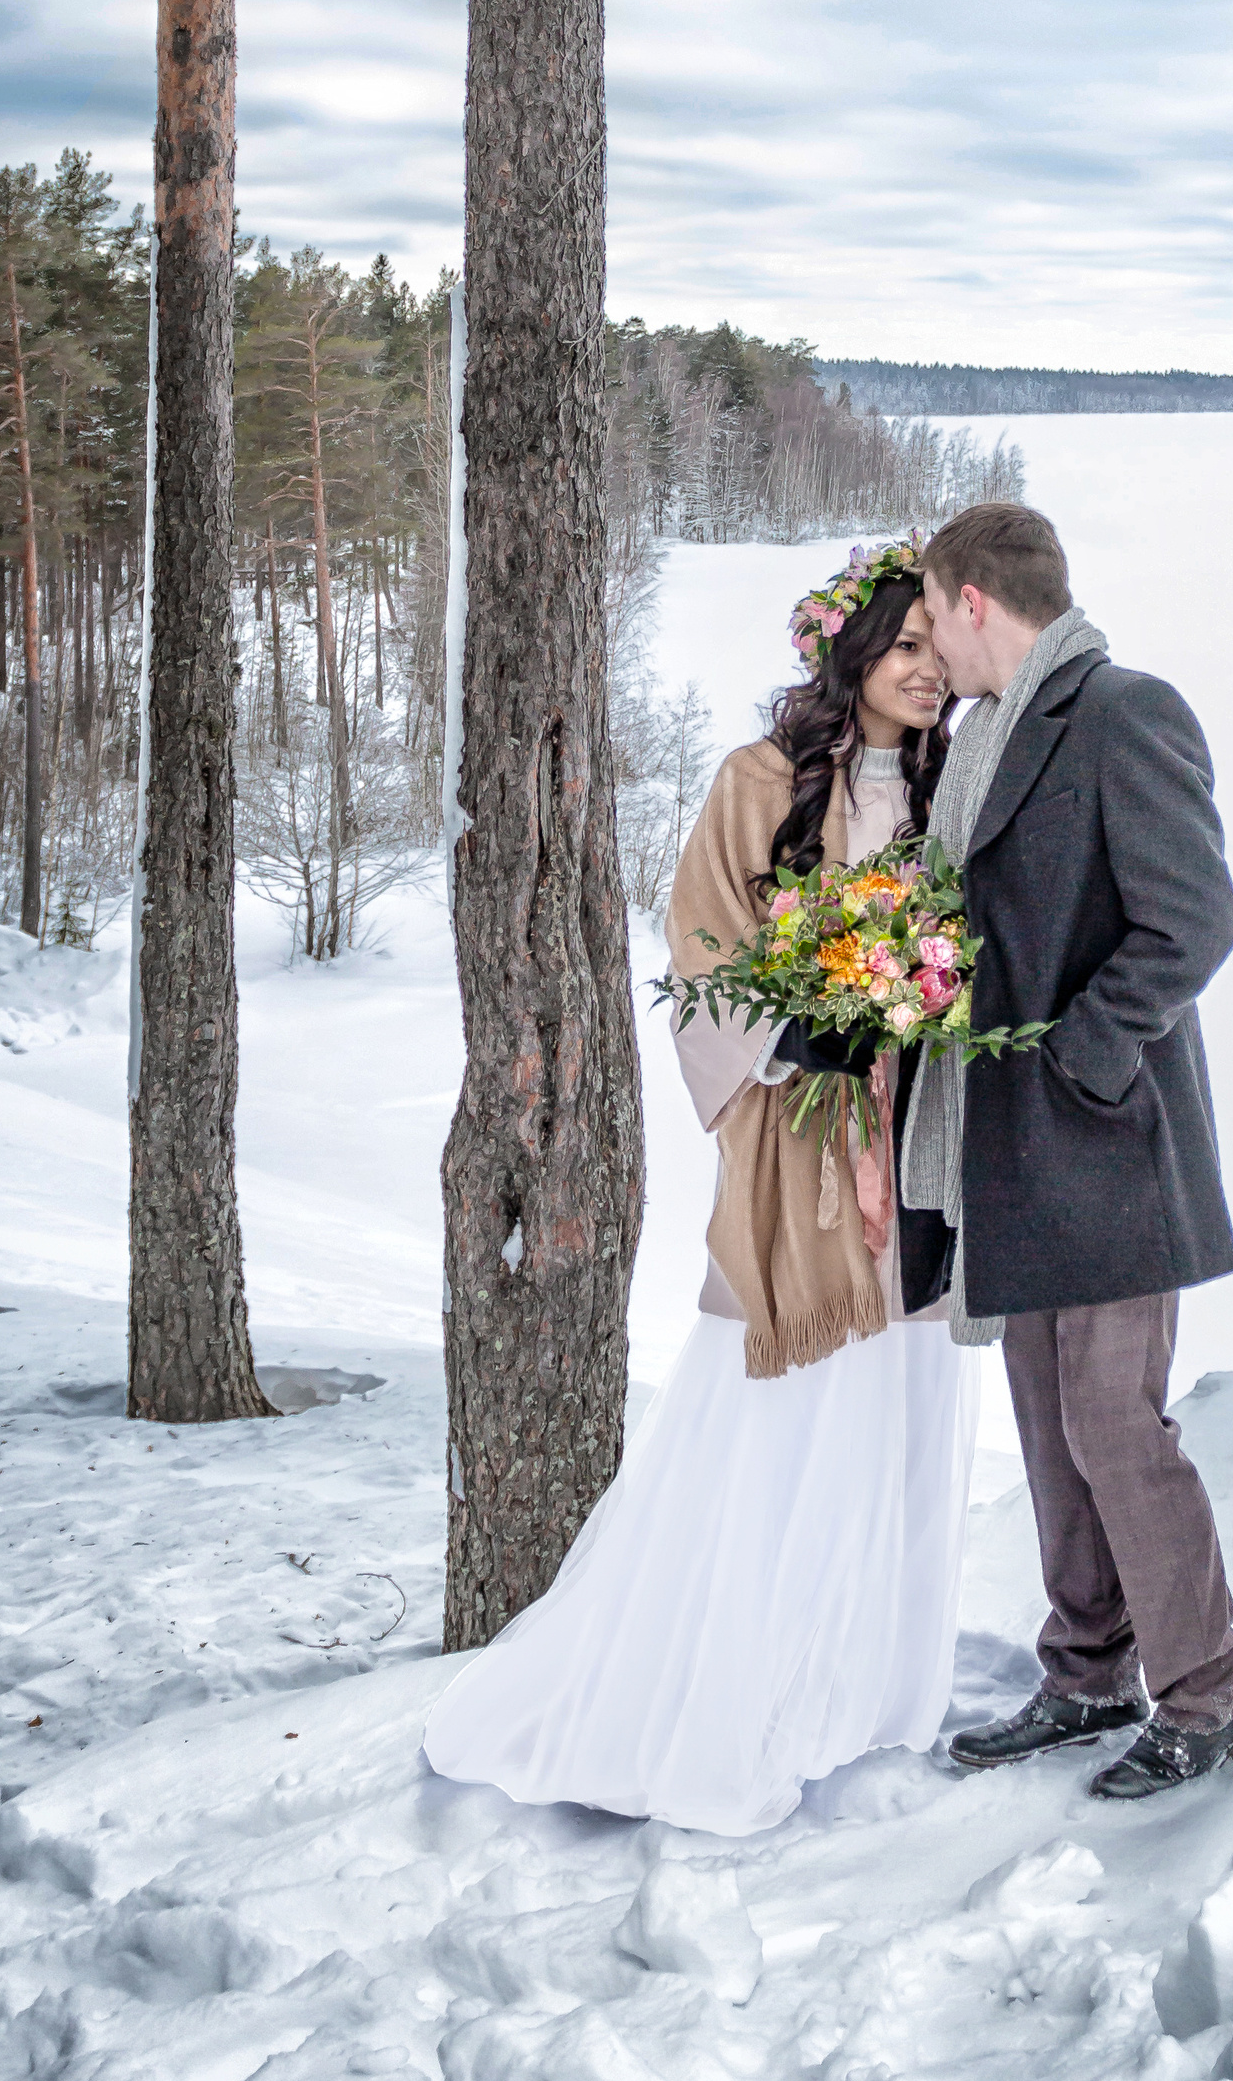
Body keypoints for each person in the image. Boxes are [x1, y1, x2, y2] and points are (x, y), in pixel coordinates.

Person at [419, 542, 980, 1833]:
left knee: (900, 1388)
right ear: (847, 656)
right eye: (902, 650)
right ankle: (737, 1684)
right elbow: (704, 946)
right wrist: (803, 1038)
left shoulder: (958, 788)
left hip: (922, 1138)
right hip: (796, 1143)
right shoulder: (759, 782)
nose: (926, 673)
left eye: (936, 652)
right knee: (781, 1401)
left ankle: (872, 1690)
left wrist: (924, 1009)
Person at [903, 498, 1233, 1799]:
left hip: (1107, 1145)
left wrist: (1084, 1057)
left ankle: (1209, 1690)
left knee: (1115, 1418)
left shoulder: (1122, 711)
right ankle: (1088, 1668)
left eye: (934, 611)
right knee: (1051, 1424)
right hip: (1013, 1154)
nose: (928, 639)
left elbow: (1195, 920)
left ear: (976, 600)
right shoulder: (980, 738)